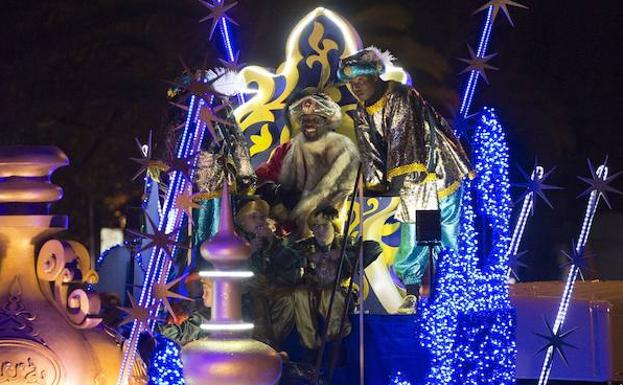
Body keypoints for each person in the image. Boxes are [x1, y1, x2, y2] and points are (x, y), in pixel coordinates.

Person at [338, 47, 473, 313]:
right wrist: (376, 184)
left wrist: (398, 184)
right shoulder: (362, 109)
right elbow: (369, 151)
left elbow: (406, 138)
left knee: (443, 233)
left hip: (433, 172)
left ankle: (454, 290)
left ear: (374, 78)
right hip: (407, 177)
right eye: (351, 84)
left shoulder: (401, 94)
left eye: (361, 81)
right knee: (412, 230)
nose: (356, 88)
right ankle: (412, 293)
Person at [257, 92, 360, 237]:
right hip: (286, 234)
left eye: (316, 119)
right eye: (305, 119)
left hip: (323, 231)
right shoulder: (285, 149)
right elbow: (263, 178)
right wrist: (278, 193)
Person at [292, 207, 381, 357]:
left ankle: (336, 342)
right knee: (299, 293)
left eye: (325, 226)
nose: (320, 230)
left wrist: (342, 254)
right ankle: (310, 346)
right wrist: (306, 258)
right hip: (311, 290)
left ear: (334, 226)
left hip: (340, 289)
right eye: (316, 226)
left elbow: (374, 248)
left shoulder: (346, 242)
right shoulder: (305, 245)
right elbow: (285, 257)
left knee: (330, 294)